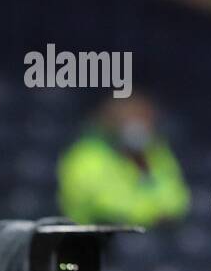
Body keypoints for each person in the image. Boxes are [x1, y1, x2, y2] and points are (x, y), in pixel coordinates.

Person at [58, 96, 190, 226]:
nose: (138, 124)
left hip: (151, 235)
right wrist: (151, 213)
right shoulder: (85, 156)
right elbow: (103, 206)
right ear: (110, 120)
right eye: (129, 117)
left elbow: (177, 200)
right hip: (95, 237)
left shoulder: (158, 154)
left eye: (143, 117)